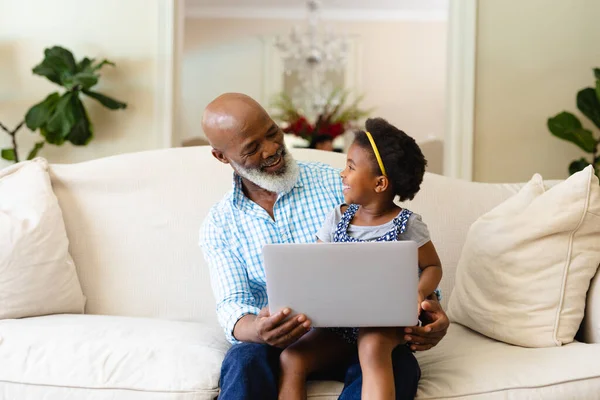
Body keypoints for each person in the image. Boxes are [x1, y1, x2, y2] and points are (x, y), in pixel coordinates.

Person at [199, 93, 450, 400]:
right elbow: (232, 304)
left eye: (272, 132)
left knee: (396, 362)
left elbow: (400, 260)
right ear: (222, 157)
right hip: (277, 345)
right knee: (243, 360)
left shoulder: (341, 186)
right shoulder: (220, 223)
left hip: (356, 333)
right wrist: (257, 329)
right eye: (252, 147)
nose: (272, 148)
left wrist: (428, 308)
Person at [277, 118, 442, 400]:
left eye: (351, 167)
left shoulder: (407, 224)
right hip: (339, 326)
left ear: (380, 183)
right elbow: (314, 265)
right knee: (292, 357)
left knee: (372, 345)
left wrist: (419, 290)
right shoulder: (337, 218)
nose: (342, 174)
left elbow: (432, 266)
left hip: (386, 324)